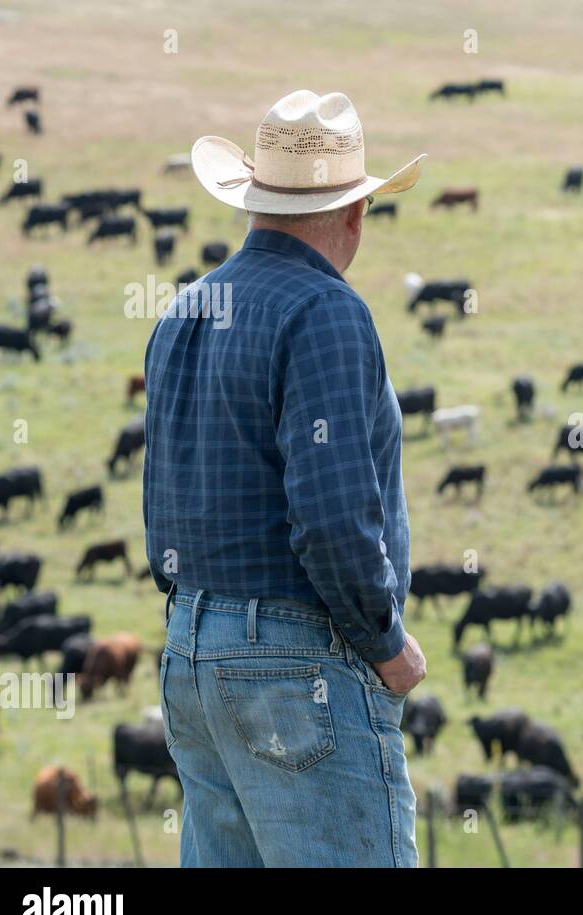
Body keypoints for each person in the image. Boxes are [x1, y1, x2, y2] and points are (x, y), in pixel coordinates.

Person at [143, 90, 428, 867]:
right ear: (357, 212)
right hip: (296, 664)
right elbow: (332, 517)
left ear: (253, 202)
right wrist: (385, 639)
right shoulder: (327, 310)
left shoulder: (186, 310)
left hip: (191, 652)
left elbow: (161, 510)